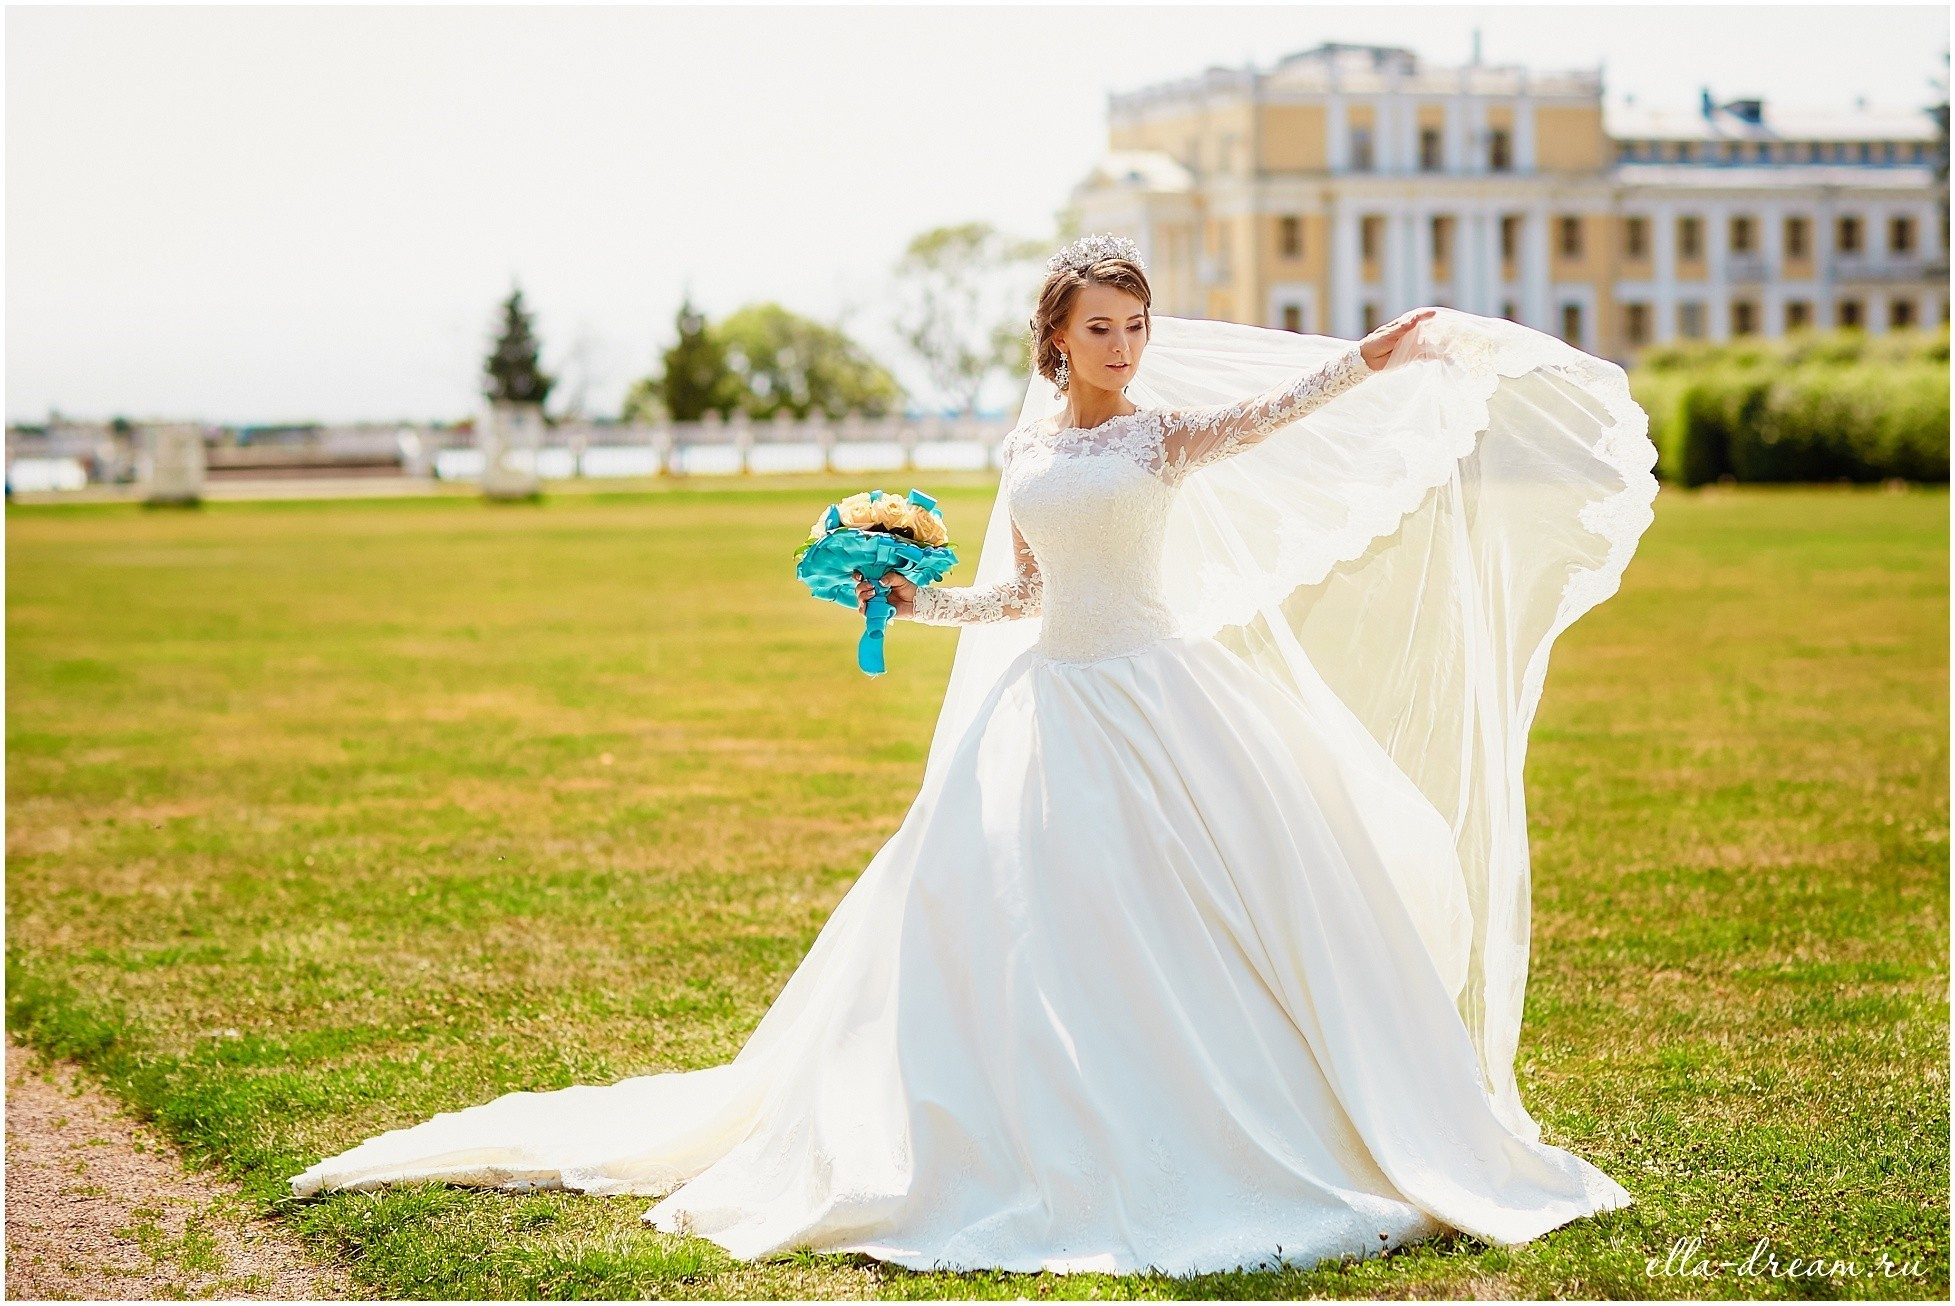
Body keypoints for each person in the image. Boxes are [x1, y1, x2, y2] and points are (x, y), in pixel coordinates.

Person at [291, 234, 1655, 1277]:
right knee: (993, 927)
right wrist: (905, 600)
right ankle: (1020, 1131)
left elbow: (1277, 412)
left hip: (1158, 704)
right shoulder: (1024, 446)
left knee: (1198, 926)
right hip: (1052, 706)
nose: (1124, 346)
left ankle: (1224, 1133)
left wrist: (1371, 356)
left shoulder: (1162, 433)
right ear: (1054, 339)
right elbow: (1020, 597)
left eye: (1136, 326)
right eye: (1100, 329)